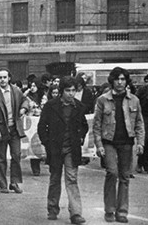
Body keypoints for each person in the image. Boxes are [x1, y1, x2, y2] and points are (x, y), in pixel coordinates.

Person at [93, 67, 145, 223]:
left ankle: (122, 211)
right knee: (112, 172)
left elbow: (139, 123)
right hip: (109, 142)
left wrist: (141, 143)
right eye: (117, 79)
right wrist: (99, 145)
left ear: (126, 81)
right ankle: (109, 209)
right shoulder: (103, 99)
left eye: (123, 79)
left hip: (127, 143)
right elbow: (96, 125)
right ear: (112, 81)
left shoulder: (134, 100)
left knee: (124, 177)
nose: (120, 82)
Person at [38, 76, 88, 224]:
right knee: (55, 179)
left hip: (71, 148)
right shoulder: (51, 106)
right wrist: (46, 142)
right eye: (68, 90)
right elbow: (42, 126)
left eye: (73, 90)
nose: (71, 93)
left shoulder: (79, 107)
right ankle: (52, 208)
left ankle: (76, 213)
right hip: (55, 148)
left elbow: (84, 125)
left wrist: (80, 137)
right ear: (61, 91)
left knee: (72, 179)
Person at [0, 68, 28, 194]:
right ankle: (3, 184)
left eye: (5, 77)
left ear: (9, 78)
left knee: (16, 155)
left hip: (14, 129)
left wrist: (23, 109)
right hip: (1, 130)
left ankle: (14, 183)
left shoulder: (15, 90)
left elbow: (25, 100)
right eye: (0, 78)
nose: (2, 80)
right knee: (1, 158)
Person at [24, 79, 44, 176]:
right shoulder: (27, 97)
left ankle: (38, 163)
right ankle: (35, 167)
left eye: (34, 86)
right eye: (31, 86)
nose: (32, 88)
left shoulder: (42, 97)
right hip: (30, 123)